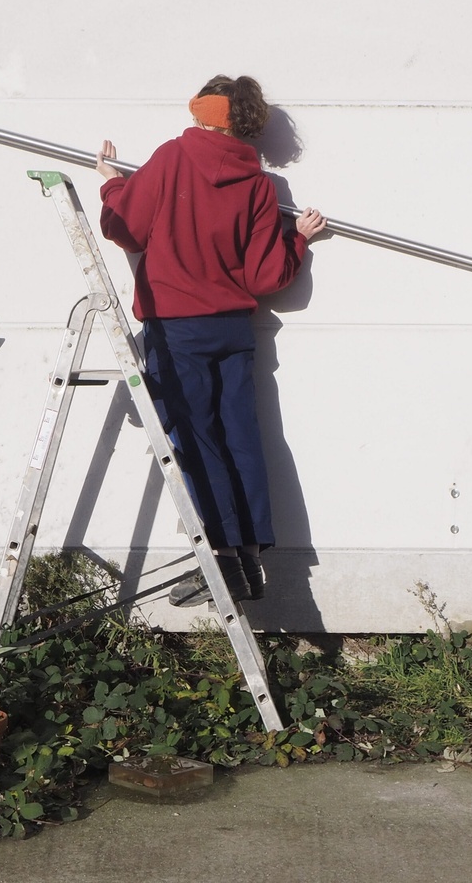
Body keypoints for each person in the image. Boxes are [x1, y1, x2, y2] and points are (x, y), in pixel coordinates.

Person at [95, 74, 326, 603]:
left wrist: (110, 182)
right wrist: (297, 240)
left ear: (200, 111)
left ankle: (220, 560)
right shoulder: (260, 185)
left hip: (178, 329)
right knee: (242, 438)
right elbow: (265, 278)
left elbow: (125, 227)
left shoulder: (174, 156)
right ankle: (248, 559)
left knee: (197, 444)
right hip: (233, 331)